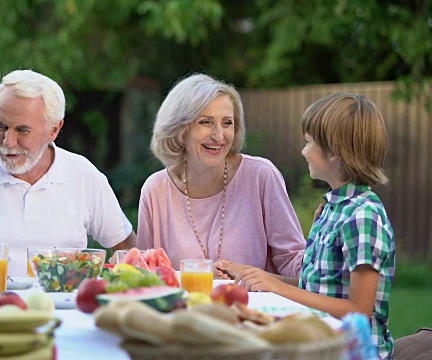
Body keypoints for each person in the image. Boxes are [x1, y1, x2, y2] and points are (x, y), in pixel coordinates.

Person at [0, 70, 135, 277]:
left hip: (62, 310)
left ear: (54, 130)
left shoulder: (83, 175)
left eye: (22, 130)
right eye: (1, 126)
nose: (8, 141)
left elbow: (127, 250)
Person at [234, 93, 395, 359]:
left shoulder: (363, 216)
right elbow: (317, 287)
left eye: (308, 142)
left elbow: (359, 311)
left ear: (333, 152)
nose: (303, 151)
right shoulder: (332, 209)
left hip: (351, 352)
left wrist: (279, 288)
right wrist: (257, 276)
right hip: (319, 345)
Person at [137, 73, 305, 278]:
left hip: (250, 307)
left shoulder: (261, 176)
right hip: (183, 308)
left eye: (227, 123)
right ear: (180, 129)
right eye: (206, 122)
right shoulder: (156, 190)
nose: (219, 135)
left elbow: (292, 260)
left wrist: (326, 245)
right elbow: (145, 274)